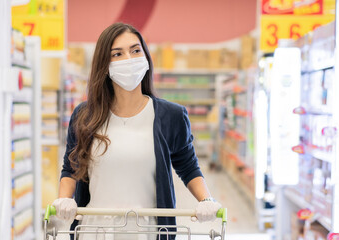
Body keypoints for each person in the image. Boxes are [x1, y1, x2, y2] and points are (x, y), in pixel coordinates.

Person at [52, 22, 221, 240]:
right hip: (95, 231)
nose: (129, 59)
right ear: (105, 65)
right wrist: (65, 199)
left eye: (135, 50)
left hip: (148, 231)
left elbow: (188, 167)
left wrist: (206, 201)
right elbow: (71, 167)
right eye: (117, 54)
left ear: (146, 57)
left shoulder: (171, 116)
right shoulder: (85, 116)